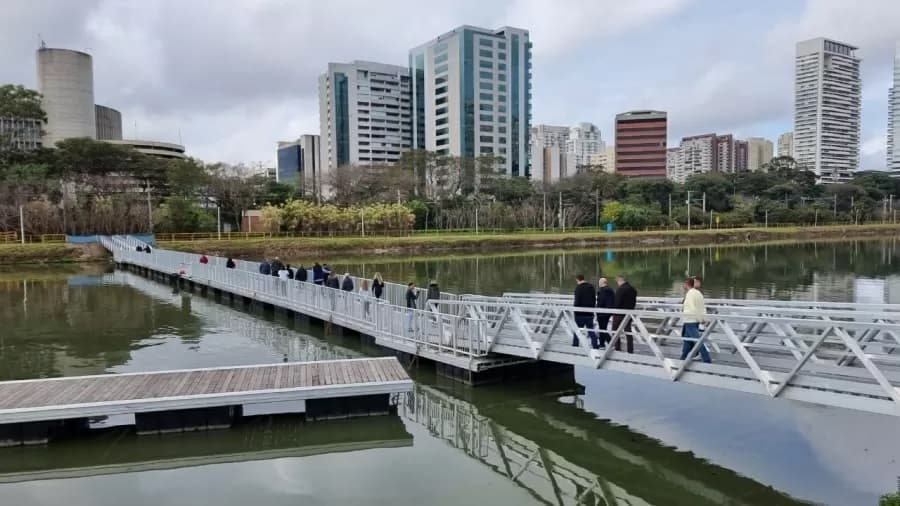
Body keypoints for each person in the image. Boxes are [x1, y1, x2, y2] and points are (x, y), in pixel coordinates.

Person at [680, 277, 711, 363]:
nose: (683, 285)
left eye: (684, 284)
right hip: (693, 320)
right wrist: (703, 318)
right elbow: (702, 307)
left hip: (690, 320)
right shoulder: (699, 293)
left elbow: (692, 308)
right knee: (687, 341)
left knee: (697, 341)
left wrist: (700, 319)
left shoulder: (690, 294)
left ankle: (707, 359)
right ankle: (683, 358)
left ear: (687, 284)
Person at [613, 274, 637, 353]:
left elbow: (617, 302)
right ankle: (630, 349)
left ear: (620, 280)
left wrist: (614, 310)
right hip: (629, 313)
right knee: (628, 331)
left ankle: (617, 348)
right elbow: (634, 301)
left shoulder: (621, 289)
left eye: (617, 282)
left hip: (619, 314)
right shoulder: (633, 289)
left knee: (615, 331)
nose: (617, 283)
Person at [572, 274, 598, 348]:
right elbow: (594, 299)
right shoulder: (591, 287)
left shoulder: (578, 288)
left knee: (577, 330)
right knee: (591, 330)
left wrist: (575, 311)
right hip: (589, 313)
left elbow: (577, 301)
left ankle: (575, 345)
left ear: (577, 279)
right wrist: (592, 309)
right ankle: (595, 345)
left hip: (580, 314)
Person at [596, 277, 616, 348]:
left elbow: (602, 302)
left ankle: (611, 343)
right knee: (602, 328)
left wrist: (601, 311)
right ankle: (602, 344)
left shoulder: (605, 291)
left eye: (599, 282)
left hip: (603, 313)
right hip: (604, 312)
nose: (598, 284)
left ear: (602, 283)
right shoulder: (608, 290)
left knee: (602, 329)